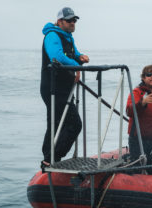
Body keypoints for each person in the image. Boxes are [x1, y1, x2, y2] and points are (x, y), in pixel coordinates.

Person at [40, 7, 90, 167]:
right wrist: (77, 66)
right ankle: (52, 158)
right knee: (74, 124)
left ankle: (49, 158)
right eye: (69, 20)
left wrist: (80, 57)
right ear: (60, 21)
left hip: (65, 87)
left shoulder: (68, 37)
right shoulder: (52, 35)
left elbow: (72, 54)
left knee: (55, 123)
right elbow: (56, 56)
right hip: (53, 88)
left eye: (74, 20)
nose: (73, 23)